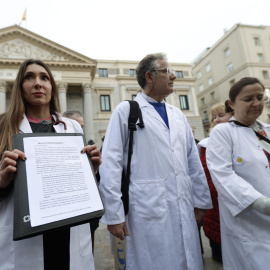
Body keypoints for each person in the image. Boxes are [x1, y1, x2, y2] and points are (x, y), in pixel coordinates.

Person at [99, 53, 212, 270]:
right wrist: (114, 215)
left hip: (183, 205)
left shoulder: (178, 115)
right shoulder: (126, 111)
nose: (174, 77)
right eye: (167, 71)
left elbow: (192, 162)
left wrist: (201, 200)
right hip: (146, 209)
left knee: (187, 259)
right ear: (150, 77)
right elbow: (111, 163)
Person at [0, 59, 101, 270]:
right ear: (19, 85)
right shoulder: (3, 126)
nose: (38, 83)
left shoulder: (72, 126)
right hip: (26, 241)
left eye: (44, 77)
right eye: (29, 77)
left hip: (67, 236)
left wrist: (91, 171)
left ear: (52, 86)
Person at [206, 77, 270, 269]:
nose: (256, 103)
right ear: (231, 104)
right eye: (248, 98)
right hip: (249, 222)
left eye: (260, 97)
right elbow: (223, 176)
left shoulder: (267, 130)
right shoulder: (223, 133)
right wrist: (263, 204)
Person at [197, 101, 234, 263]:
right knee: (220, 258)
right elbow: (207, 178)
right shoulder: (206, 144)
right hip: (217, 209)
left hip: (238, 210)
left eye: (221, 115)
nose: (216, 120)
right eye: (214, 117)